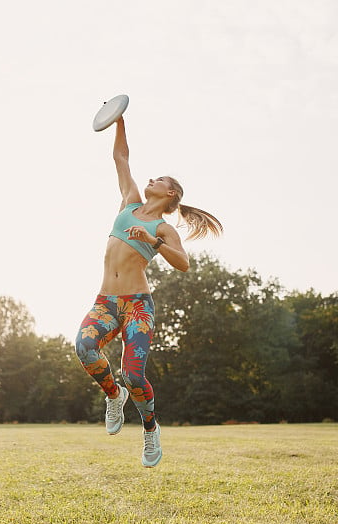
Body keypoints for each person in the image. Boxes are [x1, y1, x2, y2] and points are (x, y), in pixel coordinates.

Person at [74, 115, 223, 467]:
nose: (150, 180)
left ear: (170, 193)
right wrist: (118, 120)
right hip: (105, 302)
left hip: (138, 306)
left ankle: (150, 429)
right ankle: (114, 396)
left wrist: (153, 240)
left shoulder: (163, 228)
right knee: (84, 347)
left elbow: (183, 263)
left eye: (159, 180)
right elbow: (121, 159)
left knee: (134, 373)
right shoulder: (129, 202)